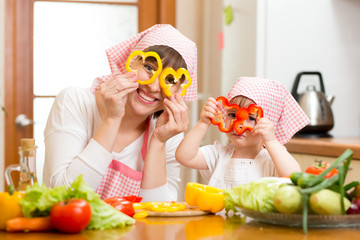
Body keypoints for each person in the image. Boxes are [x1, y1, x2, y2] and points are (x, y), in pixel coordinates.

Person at [43, 24, 198, 202]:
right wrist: (112, 119)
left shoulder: (167, 132)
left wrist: (158, 141)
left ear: (179, 90)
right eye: (148, 67)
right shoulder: (75, 101)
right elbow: (64, 197)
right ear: (130, 62)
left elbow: (160, 215)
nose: (154, 86)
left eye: (170, 79)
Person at [175, 77, 309, 189]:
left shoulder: (271, 159)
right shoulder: (219, 154)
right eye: (233, 114)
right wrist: (203, 123)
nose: (238, 124)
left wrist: (271, 141)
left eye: (251, 118)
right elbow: (184, 156)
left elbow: (293, 177)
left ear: (267, 124)